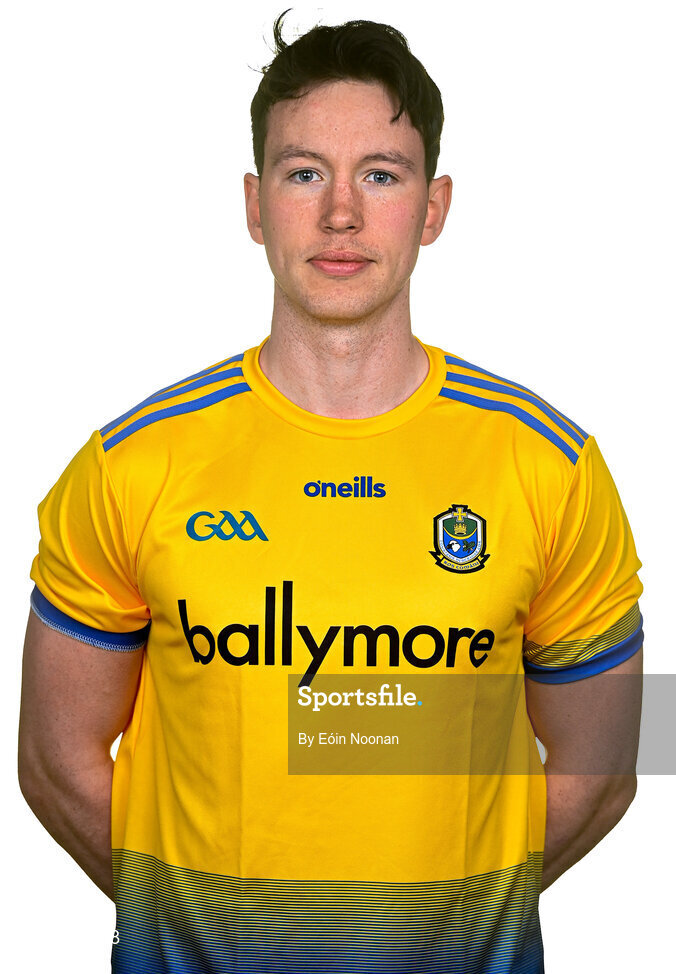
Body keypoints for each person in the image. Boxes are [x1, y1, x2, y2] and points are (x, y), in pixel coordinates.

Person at [18, 13, 643, 974]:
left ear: (433, 209)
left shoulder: (550, 466)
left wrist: (438, 931)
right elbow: (57, 765)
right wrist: (205, 930)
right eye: (304, 172)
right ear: (255, 204)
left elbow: (600, 780)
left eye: (381, 175)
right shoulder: (129, 464)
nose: (341, 213)